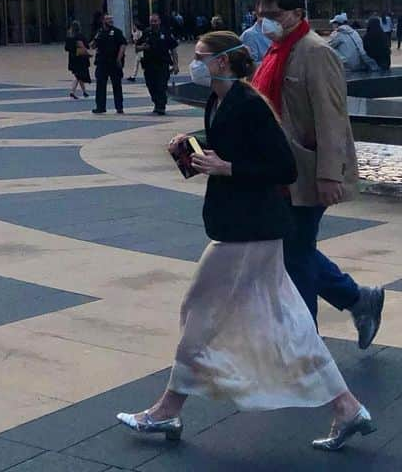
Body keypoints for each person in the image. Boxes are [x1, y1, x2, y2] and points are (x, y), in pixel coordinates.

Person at [118, 32, 374, 453]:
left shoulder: (250, 104)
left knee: (202, 310)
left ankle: (168, 409)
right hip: (246, 228)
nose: (194, 63)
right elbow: (232, 149)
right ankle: (346, 407)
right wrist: (192, 148)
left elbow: (282, 167)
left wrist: (226, 166)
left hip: (249, 231)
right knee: (284, 320)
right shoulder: (222, 101)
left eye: (200, 57)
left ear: (222, 63)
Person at [253, 0, 385, 349]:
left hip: (306, 173)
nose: (265, 23)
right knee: (290, 250)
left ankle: (303, 345)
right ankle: (357, 299)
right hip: (279, 173)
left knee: (293, 255)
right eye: (261, 15)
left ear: (296, 14)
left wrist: (330, 174)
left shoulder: (315, 53)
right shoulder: (277, 52)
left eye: (273, 15)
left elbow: (332, 119)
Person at [137, 13, 179, 115]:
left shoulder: (165, 32)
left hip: (162, 64)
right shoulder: (146, 32)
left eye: (155, 21)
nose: (153, 23)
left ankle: (161, 106)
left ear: (159, 21)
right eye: (152, 21)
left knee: (161, 85)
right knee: (151, 86)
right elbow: (137, 47)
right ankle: (156, 103)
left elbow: (173, 49)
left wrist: (176, 64)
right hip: (149, 64)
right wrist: (143, 47)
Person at [91, 14, 127, 115]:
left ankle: (119, 107)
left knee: (117, 85)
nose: (110, 21)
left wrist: (119, 58)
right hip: (102, 62)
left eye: (111, 19)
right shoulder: (100, 32)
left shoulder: (117, 32)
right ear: (103, 21)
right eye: (108, 19)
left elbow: (123, 45)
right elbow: (93, 45)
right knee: (100, 85)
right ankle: (100, 107)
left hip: (114, 62)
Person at [64, 21, 91, 99]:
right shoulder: (80, 36)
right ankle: (72, 91)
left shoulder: (69, 37)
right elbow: (86, 46)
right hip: (80, 58)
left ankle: (84, 92)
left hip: (72, 58)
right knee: (79, 75)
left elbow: (66, 48)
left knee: (78, 74)